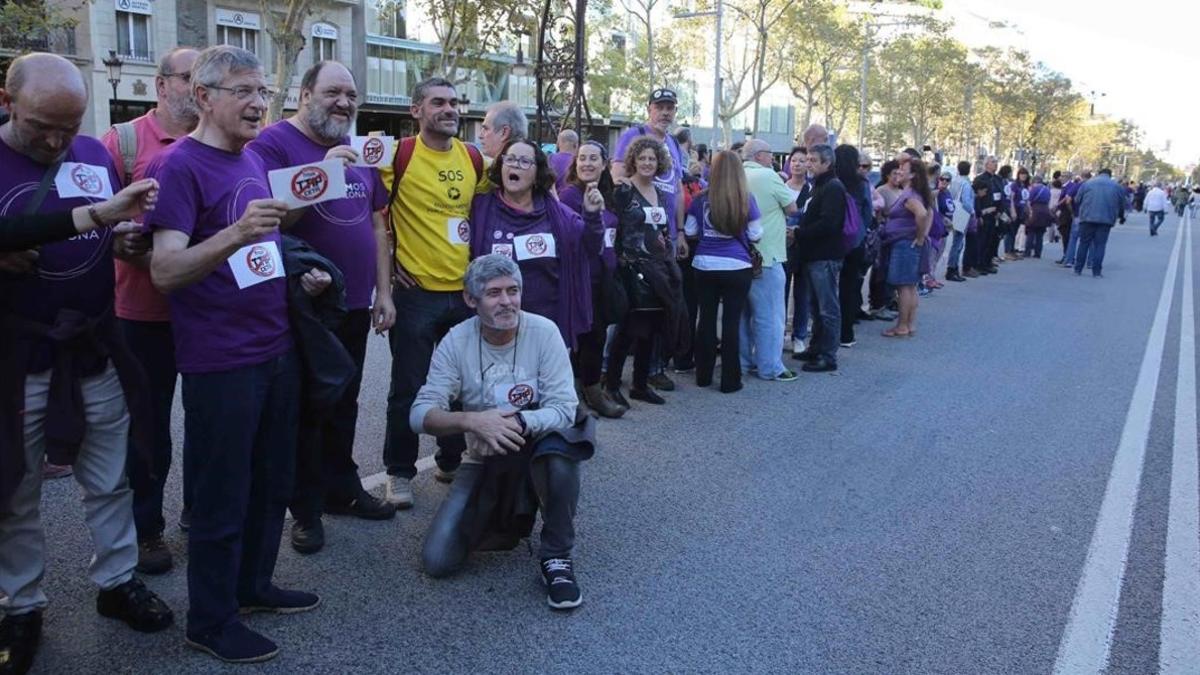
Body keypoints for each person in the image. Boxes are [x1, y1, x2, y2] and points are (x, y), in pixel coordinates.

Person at [145, 45, 325, 663]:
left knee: (271, 481)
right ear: (204, 97)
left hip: (274, 347)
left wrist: (296, 273)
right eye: (244, 92)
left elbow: (260, 250)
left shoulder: (249, 159)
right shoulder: (180, 167)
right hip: (220, 360)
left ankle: (252, 585)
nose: (257, 104)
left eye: (263, 94)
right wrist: (237, 234)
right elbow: (165, 269)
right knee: (222, 494)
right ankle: (210, 619)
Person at [0, 52, 175, 675]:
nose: (54, 141)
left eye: (67, 128)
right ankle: (21, 605)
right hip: (18, 358)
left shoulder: (96, 156)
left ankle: (118, 581)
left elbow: (104, 236)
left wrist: (120, 243)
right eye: (40, 126)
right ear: (8, 101)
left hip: (94, 346)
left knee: (110, 476)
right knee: (15, 489)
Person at [247, 60, 397, 556]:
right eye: (334, 92)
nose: (345, 103)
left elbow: (376, 225)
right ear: (304, 94)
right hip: (304, 307)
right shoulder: (272, 145)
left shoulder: (358, 150)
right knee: (308, 409)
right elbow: (270, 223)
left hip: (355, 302)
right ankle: (305, 510)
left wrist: (384, 292)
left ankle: (341, 489)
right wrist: (324, 175)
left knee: (345, 403)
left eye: (351, 95)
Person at [415, 254, 590, 611]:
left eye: (513, 290)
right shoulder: (455, 341)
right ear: (470, 299)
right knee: (438, 560)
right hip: (486, 452)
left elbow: (565, 408)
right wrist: (472, 422)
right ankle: (513, 506)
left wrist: (521, 424)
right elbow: (420, 414)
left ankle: (557, 555)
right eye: (493, 293)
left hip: (541, 441)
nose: (507, 301)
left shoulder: (544, 331)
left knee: (561, 455)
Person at [95, 46, 200, 574]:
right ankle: (146, 530)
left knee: (208, 424)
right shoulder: (123, 141)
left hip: (208, 314)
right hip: (140, 313)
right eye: (189, 77)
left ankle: (198, 514)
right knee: (147, 429)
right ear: (161, 86)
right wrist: (117, 242)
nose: (198, 87)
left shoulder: (224, 142)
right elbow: (93, 221)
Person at [378, 77, 489, 507]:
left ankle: (449, 460)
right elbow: (369, 214)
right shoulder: (398, 157)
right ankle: (400, 473)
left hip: (464, 295)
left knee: (464, 385)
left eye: (453, 102)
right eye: (437, 102)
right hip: (416, 293)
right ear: (416, 111)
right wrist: (385, 276)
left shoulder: (474, 159)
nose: (449, 109)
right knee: (408, 386)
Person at [467, 137, 593, 347]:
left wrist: (593, 216)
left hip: (545, 329)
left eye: (525, 162)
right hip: (492, 331)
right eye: (510, 159)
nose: (516, 165)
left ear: (537, 175)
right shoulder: (480, 209)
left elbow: (590, 246)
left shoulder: (559, 216)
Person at [605, 135, 687, 406]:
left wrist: (665, 241)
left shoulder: (662, 195)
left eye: (652, 158)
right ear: (634, 161)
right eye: (642, 158)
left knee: (652, 329)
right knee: (628, 329)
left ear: (659, 162)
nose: (648, 163)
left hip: (659, 269)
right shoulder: (624, 190)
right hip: (632, 268)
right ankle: (613, 386)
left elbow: (662, 229)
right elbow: (614, 229)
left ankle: (640, 384)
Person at [685, 150, 762, 393]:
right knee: (731, 322)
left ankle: (703, 375)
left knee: (705, 320)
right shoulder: (746, 200)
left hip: (704, 265)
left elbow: (689, 231)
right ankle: (730, 380)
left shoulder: (699, 199)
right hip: (737, 267)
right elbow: (756, 235)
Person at [560, 140, 625, 418]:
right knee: (579, 337)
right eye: (582, 158)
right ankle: (575, 395)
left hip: (604, 277)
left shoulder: (609, 194)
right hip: (578, 277)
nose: (587, 163)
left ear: (604, 163)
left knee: (598, 336)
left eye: (593, 158)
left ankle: (594, 392)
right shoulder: (568, 196)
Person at [740, 139, 799, 381]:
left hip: (739, 255)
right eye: (770, 154)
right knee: (771, 315)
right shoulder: (769, 175)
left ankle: (742, 363)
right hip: (767, 255)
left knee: (742, 316)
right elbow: (792, 207)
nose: (773, 159)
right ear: (760, 156)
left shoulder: (736, 175)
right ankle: (770, 367)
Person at [791, 144, 846, 373]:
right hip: (813, 255)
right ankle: (816, 347)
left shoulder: (832, 187)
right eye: (808, 159)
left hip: (825, 256)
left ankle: (828, 354)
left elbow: (829, 223)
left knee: (827, 307)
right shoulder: (818, 186)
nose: (808, 164)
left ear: (827, 163)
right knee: (815, 306)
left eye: (813, 160)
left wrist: (798, 232)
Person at [0, 179, 159, 251]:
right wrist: (103, 213)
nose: (54, 142)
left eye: (71, 128)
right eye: (40, 126)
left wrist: (113, 241)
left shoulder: (94, 150)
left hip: (95, 312)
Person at [880, 158, 932, 338]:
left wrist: (919, 237)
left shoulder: (910, 195)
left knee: (903, 287)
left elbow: (923, 214)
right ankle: (909, 324)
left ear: (912, 174)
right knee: (910, 286)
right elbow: (928, 213)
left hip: (904, 244)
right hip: (908, 243)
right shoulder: (916, 193)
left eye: (903, 169)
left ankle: (902, 325)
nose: (899, 171)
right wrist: (921, 236)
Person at [835, 144, 871, 347]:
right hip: (855, 240)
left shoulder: (833, 181)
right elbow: (868, 211)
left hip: (834, 240)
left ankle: (828, 330)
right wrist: (861, 231)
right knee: (849, 286)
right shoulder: (862, 183)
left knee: (830, 288)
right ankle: (846, 333)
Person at [1072, 168, 1126, 278]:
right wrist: (1121, 217)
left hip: (1087, 218)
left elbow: (1077, 200)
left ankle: (1078, 269)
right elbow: (1122, 203)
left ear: (1098, 174)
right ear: (1110, 175)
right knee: (1100, 245)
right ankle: (1096, 271)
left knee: (1084, 243)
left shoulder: (1087, 184)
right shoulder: (1116, 186)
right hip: (1106, 219)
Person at [783, 145, 810, 356]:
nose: (797, 164)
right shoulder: (781, 185)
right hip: (782, 245)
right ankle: (781, 332)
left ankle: (799, 336)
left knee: (802, 293)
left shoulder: (813, 189)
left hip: (804, 246)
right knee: (780, 292)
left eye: (802, 160)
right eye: (794, 160)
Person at [972, 156, 1002, 275]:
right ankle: (979, 263)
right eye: (993, 162)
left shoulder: (998, 179)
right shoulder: (980, 178)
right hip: (985, 212)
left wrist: (1000, 210)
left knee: (992, 239)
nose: (996, 164)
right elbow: (977, 198)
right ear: (986, 164)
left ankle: (988, 262)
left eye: (996, 162)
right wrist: (980, 213)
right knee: (982, 240)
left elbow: (1001, 195)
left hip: (995, 214)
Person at [947, 161, 973, 280]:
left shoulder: (954, 181)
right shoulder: (966, 184)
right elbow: (966, 201)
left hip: (953, 211)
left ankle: (952, 268)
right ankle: (953, 268)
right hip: (962, 213)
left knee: (955, 242)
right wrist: (972, 212)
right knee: (958, 242)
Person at [1005, 167, 1031, 259]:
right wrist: (1013, 211)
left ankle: (1012, 250)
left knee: (1015, 231)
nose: (1023, 176)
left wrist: (1030, 210)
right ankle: (1008, 251)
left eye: (1025, 174)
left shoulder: (1025, 186)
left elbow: (1027, 199)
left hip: (1022, 210)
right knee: (1011, 231)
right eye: (1021, 174)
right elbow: (1011, 198)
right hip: (1015, 208)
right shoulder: (1014, 185)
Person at [1025, 176, 1052, 258]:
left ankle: (1027, 252)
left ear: (1034, 182)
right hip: (1045, 211)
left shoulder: (1034, 189)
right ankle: (1038, 253)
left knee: (1031, 232)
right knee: (1040, 235)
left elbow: (1029, 201)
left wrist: (1029, 212)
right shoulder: (1047, 190)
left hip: (1035, 210)